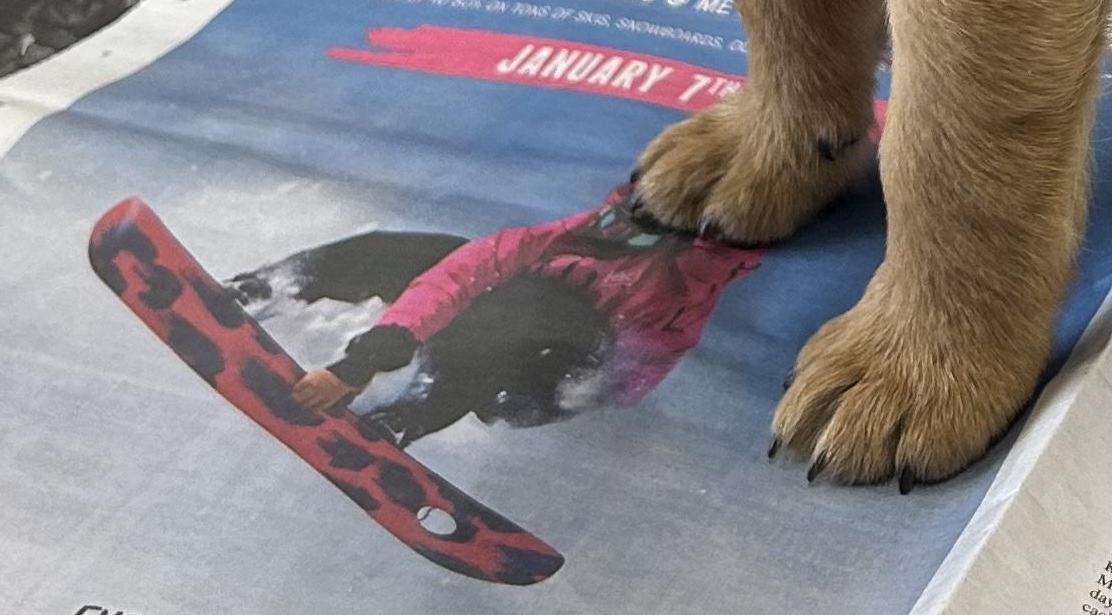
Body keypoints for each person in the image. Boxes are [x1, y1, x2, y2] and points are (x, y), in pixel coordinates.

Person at [288, 184, 760, 438]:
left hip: (542, 371)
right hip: (499, 327)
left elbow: (635, 374)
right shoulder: (573, 235)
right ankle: (277, 283)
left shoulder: (681, 297)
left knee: (543, 313)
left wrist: (556, 401)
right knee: (445, 254)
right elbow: (456, 275)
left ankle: (413, 411)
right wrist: (365, 359)